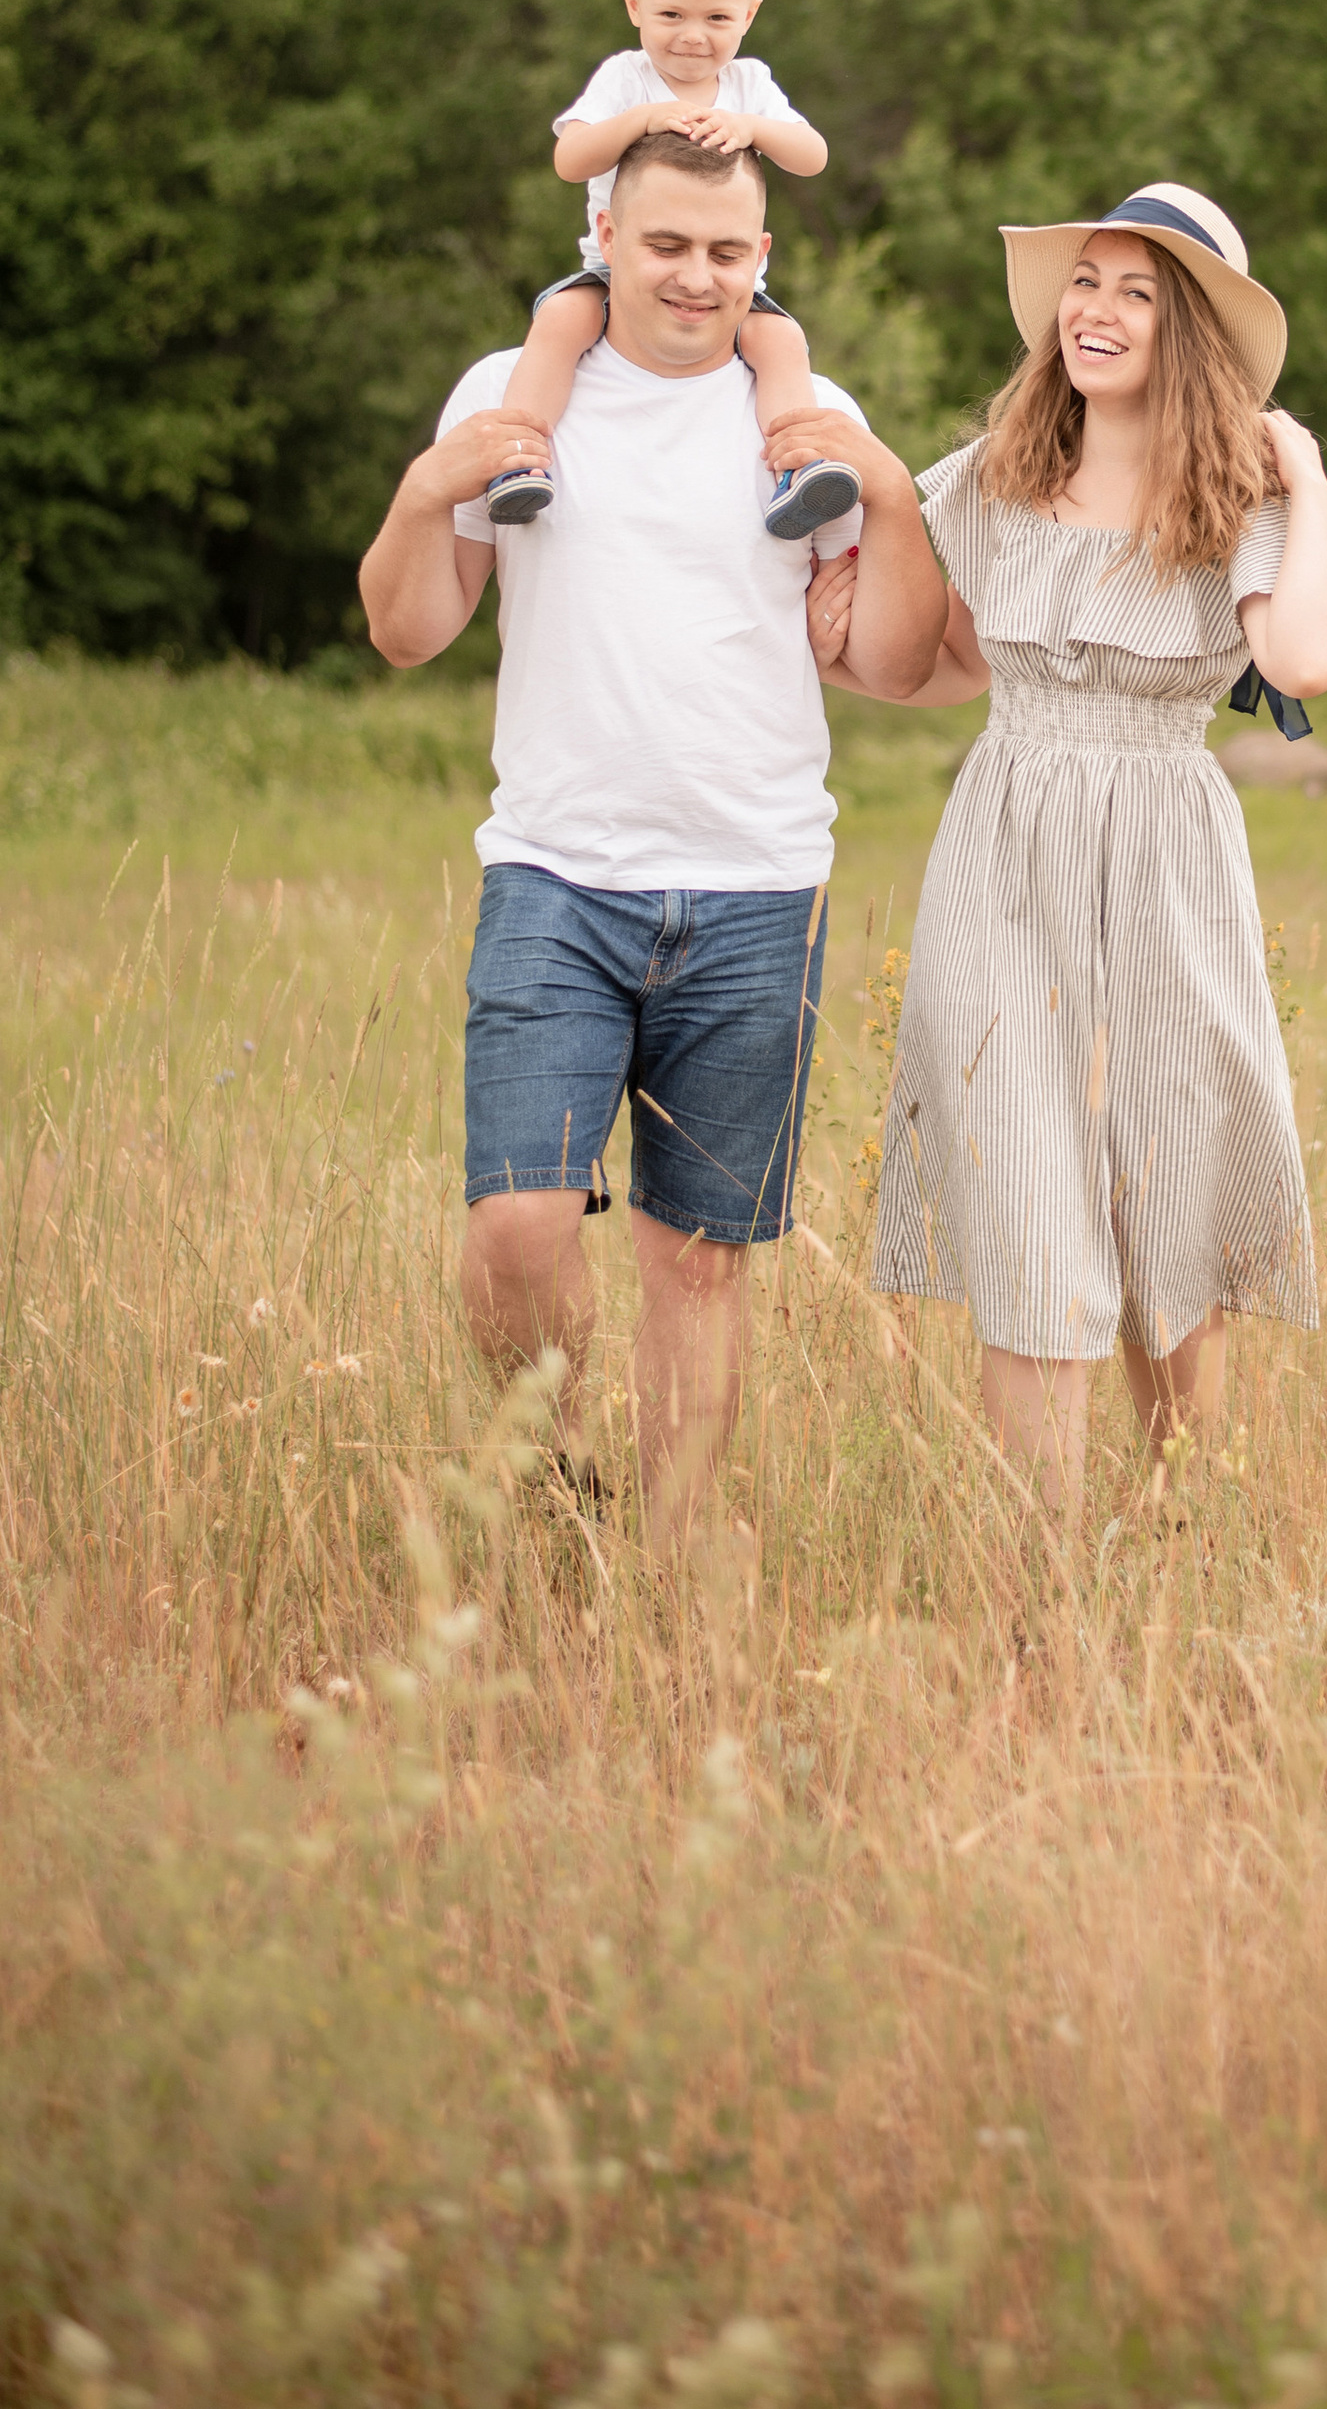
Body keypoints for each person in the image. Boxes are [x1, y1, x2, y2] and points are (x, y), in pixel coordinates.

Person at [358, 127, 946, 1535]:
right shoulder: (516, 399)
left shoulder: (811, 420)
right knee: (515, 1222)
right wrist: (420, 494)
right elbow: (407, 629)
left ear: (764, 260)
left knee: (701, 1263)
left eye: (728, 251)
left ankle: (673, 1547)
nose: (697, 276)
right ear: (605, 235)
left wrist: (895, 496)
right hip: (559, 875)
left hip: (758, 886)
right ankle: (558, 1477)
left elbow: (896, 660)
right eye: (667, 243)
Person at [814, 181, 1327, 1515]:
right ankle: (1035, 1574)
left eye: (1139, 292)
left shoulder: (1233, 494)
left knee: (1165, 1194)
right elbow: (944, 662)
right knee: (1022, 1203)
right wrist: (839, 622)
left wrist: (1310, 472)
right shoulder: (995, 475)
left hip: (1166, 856)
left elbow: (1303, 658)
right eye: (1088, 280)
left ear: (1192, 338)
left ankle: (1178, 1519)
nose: (1099, 310)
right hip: (1005, 847)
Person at [488, 0, 864, 543]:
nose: (693, 36)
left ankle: (795, 471)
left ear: (749, 14)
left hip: (727, 282)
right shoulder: (625, 78)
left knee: (780, 340)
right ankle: (517, 460)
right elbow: (569, 159)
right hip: (615, 277)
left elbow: (814, 155)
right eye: (671, 15)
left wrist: (754, 129)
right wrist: (640, 120)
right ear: (634, 6)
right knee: (559, 324)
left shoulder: (749, 84)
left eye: (717, 17)